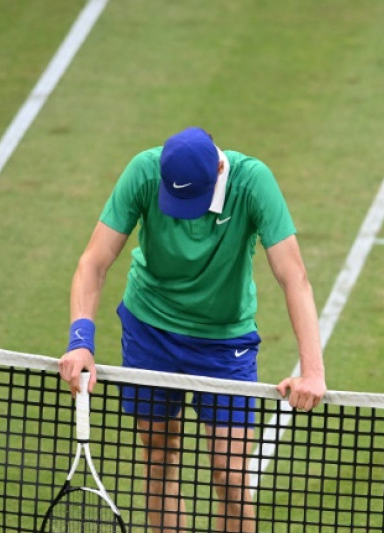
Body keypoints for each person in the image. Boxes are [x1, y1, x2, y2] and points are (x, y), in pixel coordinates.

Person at [57, 126, 326, 532]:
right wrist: (81, 342)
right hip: (150, 331)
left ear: (220, 168)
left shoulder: (253, 183)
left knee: (231, 474)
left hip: (223, 343)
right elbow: (92, 263)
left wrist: (313, 370)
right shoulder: (144, 173)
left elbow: (294, 277)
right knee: (159, 456)